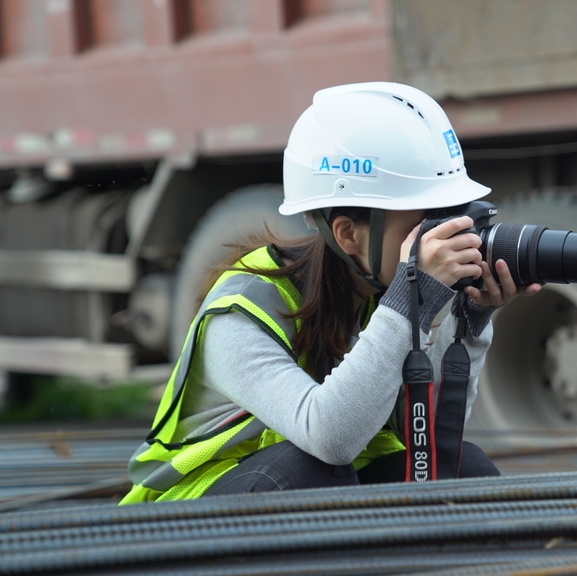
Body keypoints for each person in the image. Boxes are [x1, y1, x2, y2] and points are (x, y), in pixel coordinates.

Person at [120, 82, 541, 503]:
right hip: (184, 520)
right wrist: (409, 302)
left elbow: (429, 434)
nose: (437, 239)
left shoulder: (381, 294)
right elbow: (331, 438)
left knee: (463, 468)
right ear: (348, 234)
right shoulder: (241, 312)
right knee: (308, 469)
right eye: (422, 225)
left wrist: (470, 318)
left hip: (309, 498)